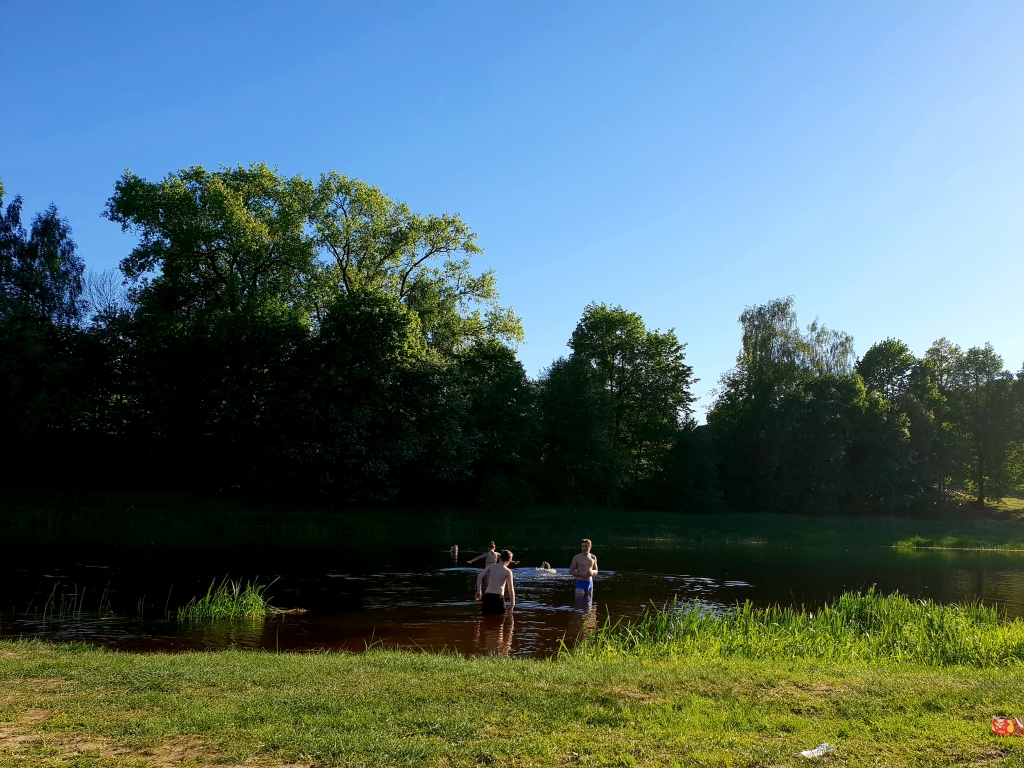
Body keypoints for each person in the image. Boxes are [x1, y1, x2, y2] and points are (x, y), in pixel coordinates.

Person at [474, 549, 516, 614]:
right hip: (498, 597)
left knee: (485, 617)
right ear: (509, 561)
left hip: (488, 596)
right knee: (500, 618)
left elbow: (480, 576)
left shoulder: (491, 566)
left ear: (499, 558)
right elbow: (511, 589)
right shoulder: (508, 571)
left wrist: (479, 591)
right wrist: (512, 604)